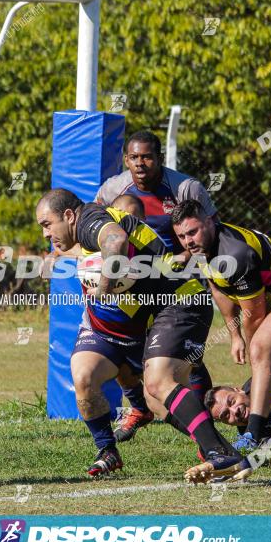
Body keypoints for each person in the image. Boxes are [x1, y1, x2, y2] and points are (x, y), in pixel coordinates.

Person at [36, 189, 248, 484]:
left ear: (69, 216)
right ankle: (226, 454)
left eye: (47, 224)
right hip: (168, 308)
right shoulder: (86, 231)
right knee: (154, 397)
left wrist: (106, 286)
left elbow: (116, 241)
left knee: (159, 381)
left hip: (182, 300)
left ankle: (219, 453)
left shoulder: (89, 221)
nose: (46, 233)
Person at [170, 199, 271, 450]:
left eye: (192, 232)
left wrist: (255, 351)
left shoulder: (235, 253)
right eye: (181, 236)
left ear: (209, 222)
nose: (188, 241)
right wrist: (234, 335)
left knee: (262, 354)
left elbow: (255, 315)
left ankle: (253, 435)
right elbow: (219, 288)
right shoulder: (203, 250)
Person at [95, 131, 219, 442]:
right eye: (134, 157)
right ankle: (140, 408)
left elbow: (210, 231)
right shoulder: (112, 189)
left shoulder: (185, 188)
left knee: (185, 357)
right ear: (126, 159)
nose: (140, 163)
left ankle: (203, 417)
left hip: (178, 282)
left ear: (159, 158)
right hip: (132, 283)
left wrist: (183, 256)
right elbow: (95, 224)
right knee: (123, 347)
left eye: (147, 157)